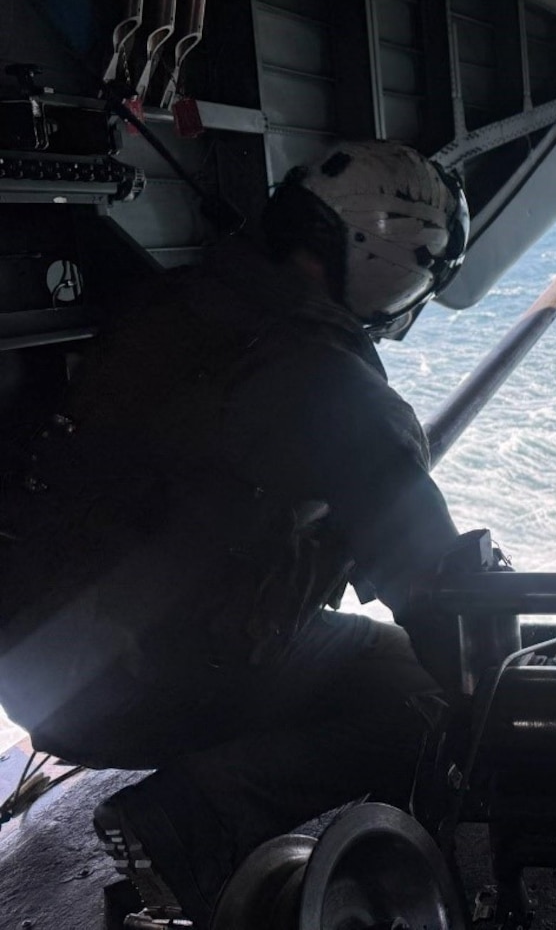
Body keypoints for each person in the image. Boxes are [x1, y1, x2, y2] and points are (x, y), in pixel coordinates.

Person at [0, 140, 471, 927]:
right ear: (388, 260)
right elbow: (437, 593)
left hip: (36, 672)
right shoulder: (334, 388)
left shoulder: (174, 303)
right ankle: (193, 822)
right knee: (417, 692)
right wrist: (488, 690)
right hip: (138, 687)